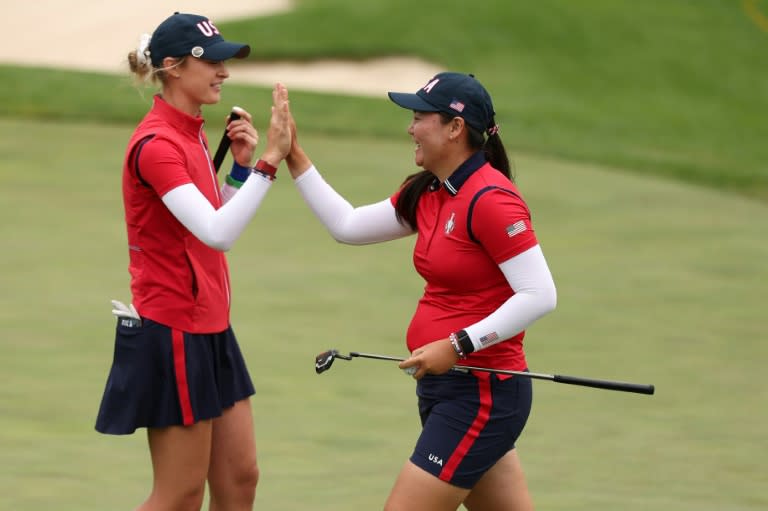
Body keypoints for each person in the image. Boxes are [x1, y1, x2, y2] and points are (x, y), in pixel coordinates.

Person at [284, 72, 557, 510]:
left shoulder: (491, 199)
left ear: (454, 128)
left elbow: (539, 294)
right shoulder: (429, 191)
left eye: (419, 117)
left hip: (481, 393)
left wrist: (458, 343)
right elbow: (348, 225)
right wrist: (293, 155)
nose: (410, 128)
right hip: (445, 389)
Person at [94, 12, 291, 511]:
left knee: (239, 479)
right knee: (180, 495)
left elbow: (208, 221)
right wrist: (269, 163)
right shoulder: (158, 145)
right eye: (213, 61)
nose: (223, 71)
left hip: (211, 327)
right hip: (173, 330)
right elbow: (217, 234)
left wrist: (243, 170)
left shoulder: (191, 133)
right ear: (173, 67)